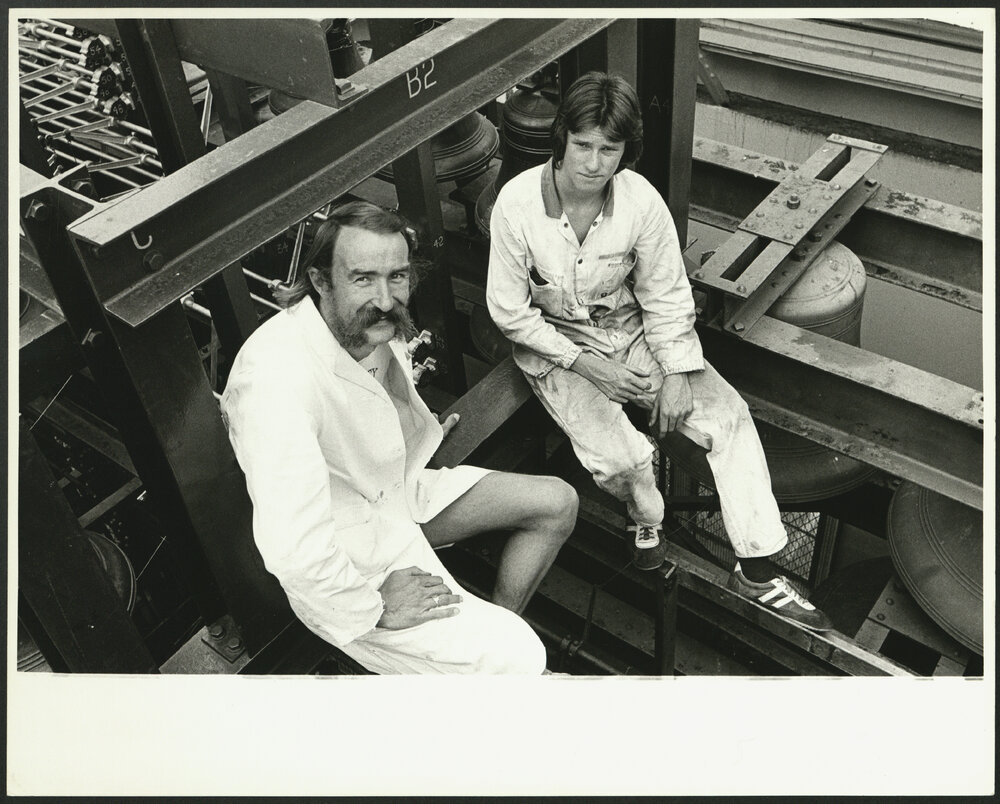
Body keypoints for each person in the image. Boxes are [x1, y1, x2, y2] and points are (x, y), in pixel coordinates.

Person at [486, 72, 832, 631]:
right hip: (559, 347)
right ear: (562, 139)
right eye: (583, 145)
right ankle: (645, 514)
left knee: (728, 417)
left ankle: (757, 567)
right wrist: (588, 366)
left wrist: (676, 373)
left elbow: (666, 294)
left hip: (631, 330)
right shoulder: (516, 205)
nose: (594, 163)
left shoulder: (639, 201)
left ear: (625, 151)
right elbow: (510, 313)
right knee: (623, 461)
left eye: (609, 149)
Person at [222, 201, 579, 673]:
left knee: (557, 503)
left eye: (398, 276)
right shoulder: (275, 378)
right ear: (321, 281)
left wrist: (415, 429)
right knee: (523, 656)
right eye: (363, 277)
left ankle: (478, 643)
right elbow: (296, 551)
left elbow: (371, 399)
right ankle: (481, 658)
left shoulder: (370, 325)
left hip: (397, 493)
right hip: (351, 559)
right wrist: (374, 606)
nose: (386, 297)